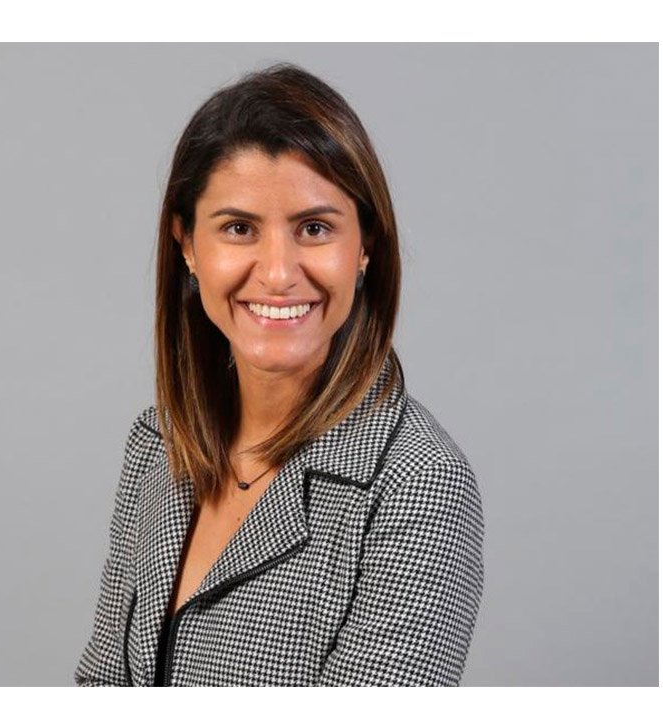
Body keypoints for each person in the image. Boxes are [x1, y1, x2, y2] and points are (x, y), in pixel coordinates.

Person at [74, 62, 484, 687]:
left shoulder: (418, 485)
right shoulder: (156, 445)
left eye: (314, 229)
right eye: (239, 229)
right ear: (187, 244)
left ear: (365, 246)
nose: (277, 273)